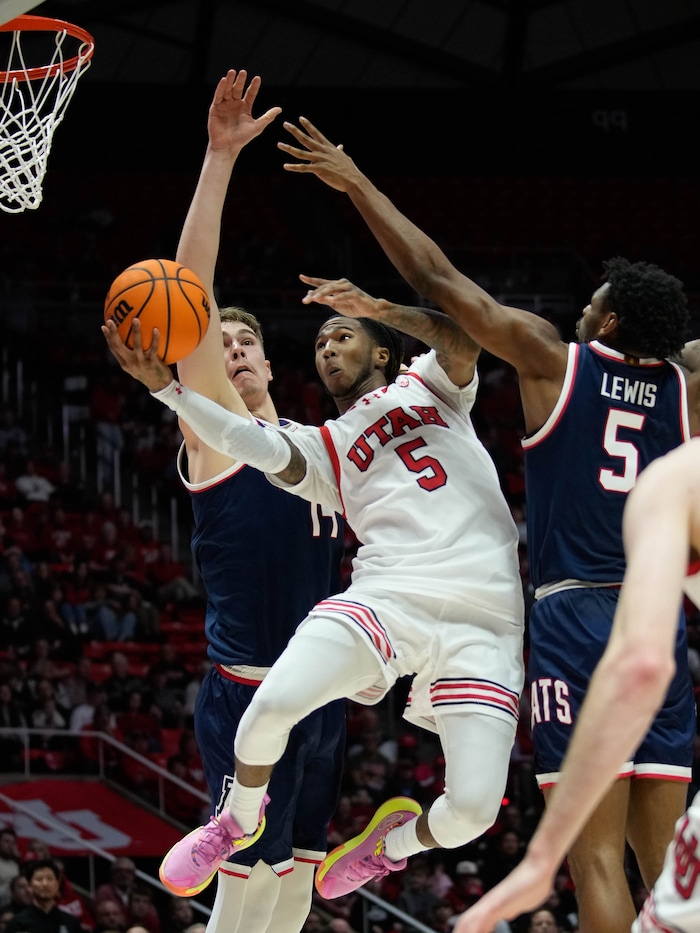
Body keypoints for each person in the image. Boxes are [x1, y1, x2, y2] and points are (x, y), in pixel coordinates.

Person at [277, 117, 700, 932]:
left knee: (594, 857)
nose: (582, 307)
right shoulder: (686, 390)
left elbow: (440, 280)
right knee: (667, 861)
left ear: (608, 325)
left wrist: (356, 182)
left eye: (594, 301)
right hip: (659, 622)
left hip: (577, 618)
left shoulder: (553, 359)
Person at [103, 242, 525, 912]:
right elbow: (247, 440)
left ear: (383, 351)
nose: (327, 346)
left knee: (469, 814)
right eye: (320, 338)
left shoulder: (432, 386)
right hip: (369, 611)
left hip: (480, 616)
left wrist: (378, 305)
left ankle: (388, 846)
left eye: (344, 333)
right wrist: (167, 388)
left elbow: (461, 333)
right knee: (266, 725)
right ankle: (234, 818)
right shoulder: (322, 444)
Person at [112, 70, 347, 933]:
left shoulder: (325, 449)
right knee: (244, 889)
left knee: (295, 886)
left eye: (249, 340)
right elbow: (192, 287)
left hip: (322, 694)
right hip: (250, 695)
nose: (235, 349)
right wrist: (218, 159)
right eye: (223, 340)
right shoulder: (215, 439)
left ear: (275, 363)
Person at [452, 437, 700, 931]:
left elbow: (640, 665)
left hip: (583, 610)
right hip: (645, 613)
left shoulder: (676, 478)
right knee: (666, 868)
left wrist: (540, 861)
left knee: (601, 864)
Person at [5, 859, 83, 933]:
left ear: (57, 884)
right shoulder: (18, 923)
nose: (45, 884)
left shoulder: (71, 923)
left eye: (49, 879)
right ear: (29, 886)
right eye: (39, 879)